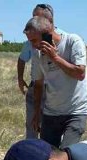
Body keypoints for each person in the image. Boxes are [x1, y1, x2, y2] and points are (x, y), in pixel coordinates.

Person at [24, 17, 87, 150]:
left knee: (66, 154)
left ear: (48, 34)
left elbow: (80, 73)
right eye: (29, 41)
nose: (32, 45)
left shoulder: (73, 41)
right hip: (51, 112)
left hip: (76, 110)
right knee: (47, 153)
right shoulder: (37, 54)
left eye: (34, 40)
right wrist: (37, 114)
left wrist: (55, 57)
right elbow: (38, 84)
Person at [17, 4, 62, 141]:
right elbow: (22, 58)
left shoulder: (62, 38)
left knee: (51, 127)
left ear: (50, 20)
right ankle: (30, 153)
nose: (35, 20)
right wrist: (20, 78)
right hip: (36, 86)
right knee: (32, 124)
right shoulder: (31, 40)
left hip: (54, 90)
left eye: (39, 17)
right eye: (33, 17)